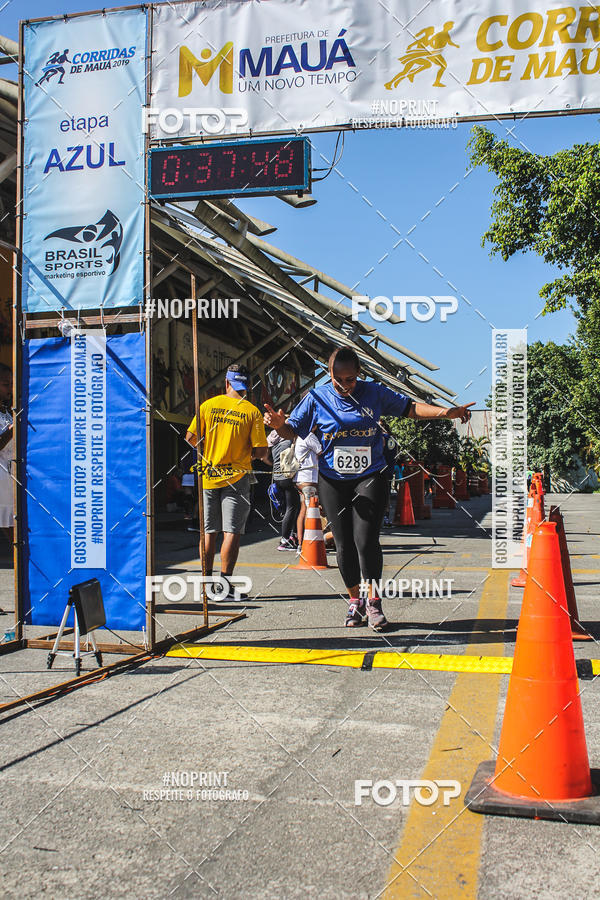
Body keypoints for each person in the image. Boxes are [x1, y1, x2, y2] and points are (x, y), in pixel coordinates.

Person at [264, 347, 473, 630]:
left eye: (350, 380)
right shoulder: (316, 398)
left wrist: (446, 413)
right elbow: (294, 430)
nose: (345, 385)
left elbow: (409, 408)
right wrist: (280, 425)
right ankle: (355, 601)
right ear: (329, 374)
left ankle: (374, 602)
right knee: (343, 543)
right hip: (332, 479)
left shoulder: (374, 393)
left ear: (359, 374)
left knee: (366, 540)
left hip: (370, 475)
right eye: (339, 380)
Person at [186, 364, 269, 600]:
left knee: (208, 531)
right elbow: (262, 451)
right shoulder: (252, 412)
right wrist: (248, 454)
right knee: (231, 531)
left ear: (227, 383)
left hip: (209, 476)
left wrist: (209, 452)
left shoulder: (208, 406)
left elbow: (191, 438)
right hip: (238, 477)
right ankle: (224, 584)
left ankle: (205, 585)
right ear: (246, 386)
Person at [267, 429, 300, 550]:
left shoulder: (273, 443)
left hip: (277, 477)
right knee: (293, 508)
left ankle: (291, 536)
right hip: (288, 477)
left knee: (289, 508)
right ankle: (285, 540)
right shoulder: (289, 441)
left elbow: (264, 459)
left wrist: (275, 465)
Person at [294, 427, 321, 549]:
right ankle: (308, 543)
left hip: (300, 479)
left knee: (303, 510)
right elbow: (321, 451)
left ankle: (301, 543)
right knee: (310, 511)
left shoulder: (298, 437)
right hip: (309, 479)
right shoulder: (309, 436)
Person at [0, 364, 13, 552]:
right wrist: (12, 431)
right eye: (5, 384)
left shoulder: (6, 411)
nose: (10, 388)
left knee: (12, 526)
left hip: (8, 477)